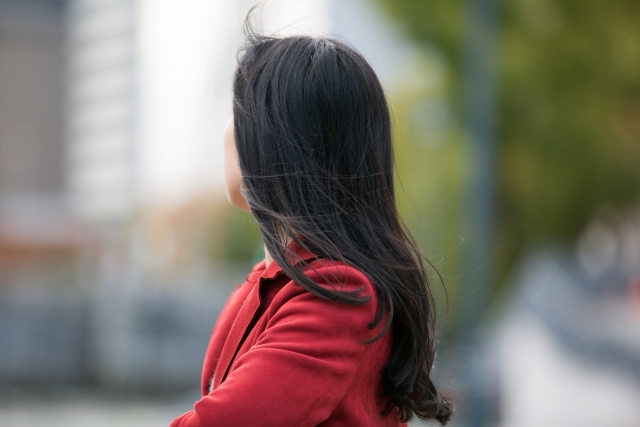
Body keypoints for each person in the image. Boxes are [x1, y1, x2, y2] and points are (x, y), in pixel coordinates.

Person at [169, 17, 453, 427]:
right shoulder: (266, 284)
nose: (227, 132)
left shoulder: (337, 295)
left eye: (237, 112)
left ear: (274, 142)